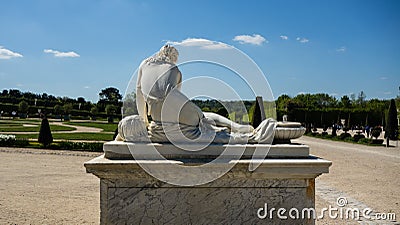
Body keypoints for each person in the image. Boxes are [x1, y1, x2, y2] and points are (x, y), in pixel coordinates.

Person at [135, 45, 260, 143]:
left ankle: (232, 127)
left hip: (157, 118)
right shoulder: (175, 70)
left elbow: (139, 94)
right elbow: (175, 102)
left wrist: (144, 122)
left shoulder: (144, 64)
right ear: (173, 57)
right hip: (184, 114)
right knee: (203, 117)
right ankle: (235, 127)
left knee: (202, 119)